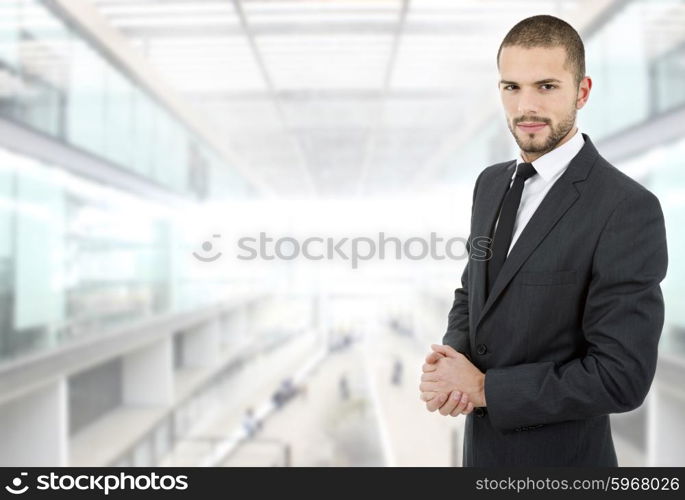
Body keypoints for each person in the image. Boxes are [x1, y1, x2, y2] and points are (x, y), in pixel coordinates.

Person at [419, 14, 668, 467]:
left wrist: (485, 389)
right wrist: (450, 363)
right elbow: (471, 293)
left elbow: (622, 377)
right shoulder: (489, 184)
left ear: (583, 91)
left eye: (546, 86)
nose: (525, 106)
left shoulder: (627, 209)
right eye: (511, 87)